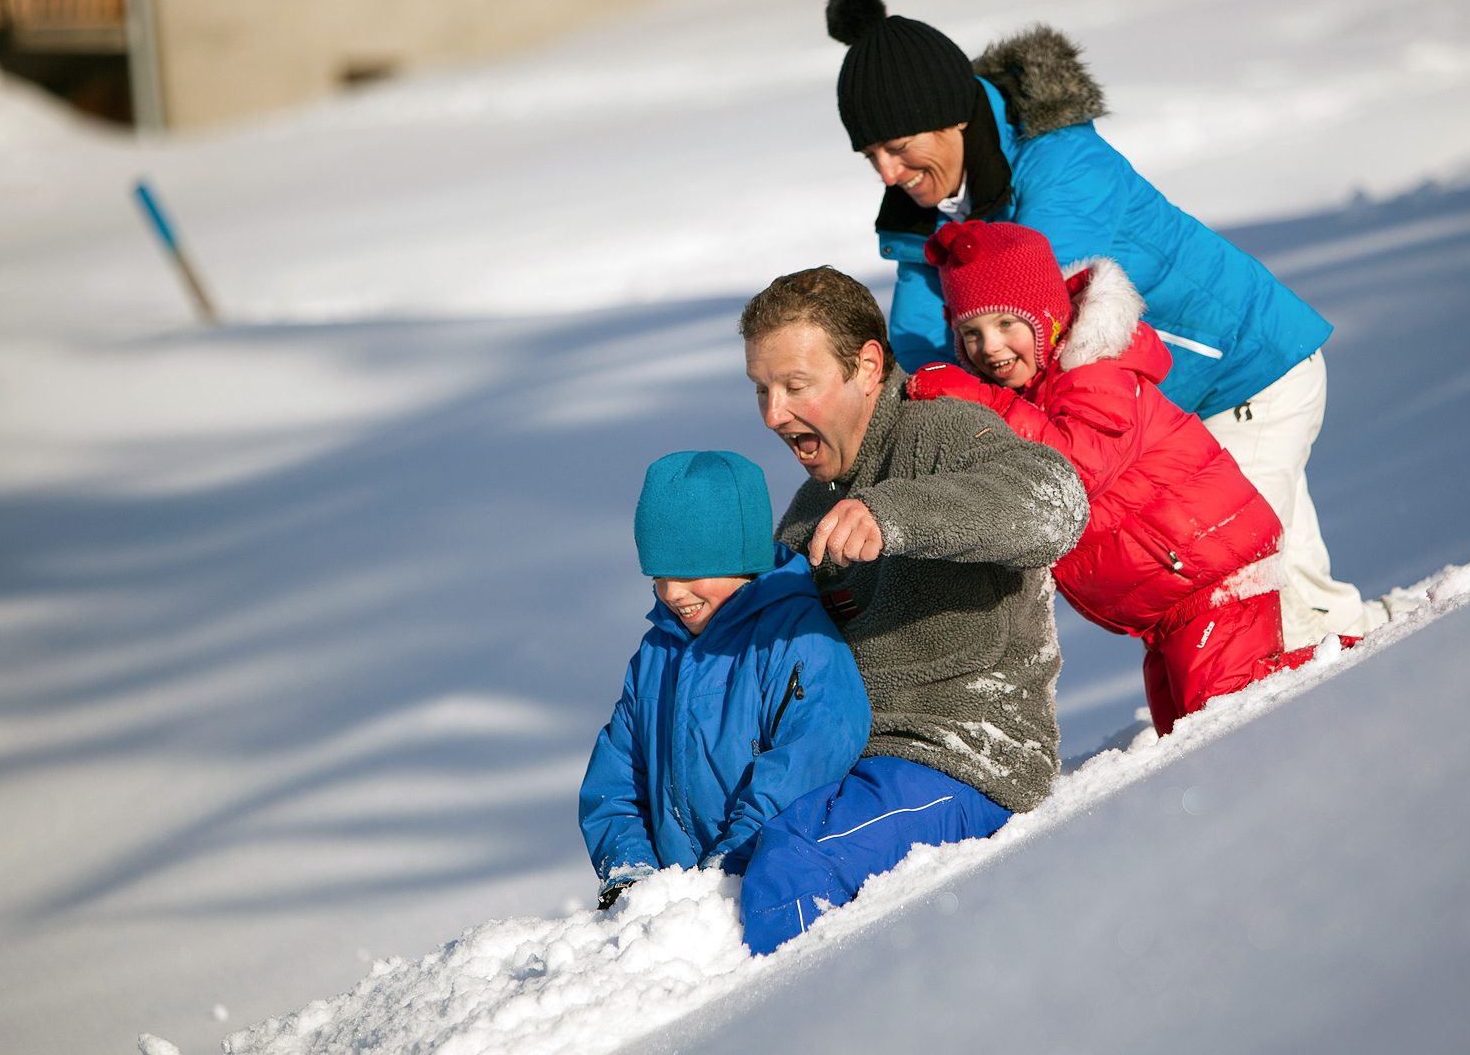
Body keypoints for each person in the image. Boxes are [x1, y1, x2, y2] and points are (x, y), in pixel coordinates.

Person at [822, 0, 1411, 646]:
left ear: (954, 114)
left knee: (1239, 586)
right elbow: (928, 341)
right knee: (1301, 599)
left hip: (1245, 373)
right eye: (870, 156)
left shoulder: (1062, 169)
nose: (887, 172)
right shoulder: (927, 223)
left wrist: (958, 389)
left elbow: (1032, 323)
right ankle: (1391, 648)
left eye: (898, 146)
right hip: (1172, 421)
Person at [736, 264, 1088, 955]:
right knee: (740, 851)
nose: (774, 414)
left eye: (794, 387)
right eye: (762, 391)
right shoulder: (808, 512)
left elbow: (1056, 501)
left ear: (867, 367)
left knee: (794, 860)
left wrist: (894, 514)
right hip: (855, 765)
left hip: (966, 753)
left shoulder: (941, 435)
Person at [907, 219, 1348, 735]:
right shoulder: (1030, 398)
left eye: (1007, 323)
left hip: (1213, 574)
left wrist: (984, 400)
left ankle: (1364, 663)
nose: (990, 346)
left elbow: (1073, 467)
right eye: (971, 334)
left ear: (1048, 318)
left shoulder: (1095, 373)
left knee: (1230, 719)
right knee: (1182, 734)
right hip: (1167, 605)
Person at [577, 450, 871, 910]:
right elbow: (616, 778)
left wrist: (729, 868)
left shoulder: (795, 641)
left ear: (742, 558)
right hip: (681, 904)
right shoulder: (657, 653)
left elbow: (808, 762)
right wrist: (630, 872)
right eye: (659, 575)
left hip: (759, 891)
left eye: (691, 572)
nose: (673, 593)